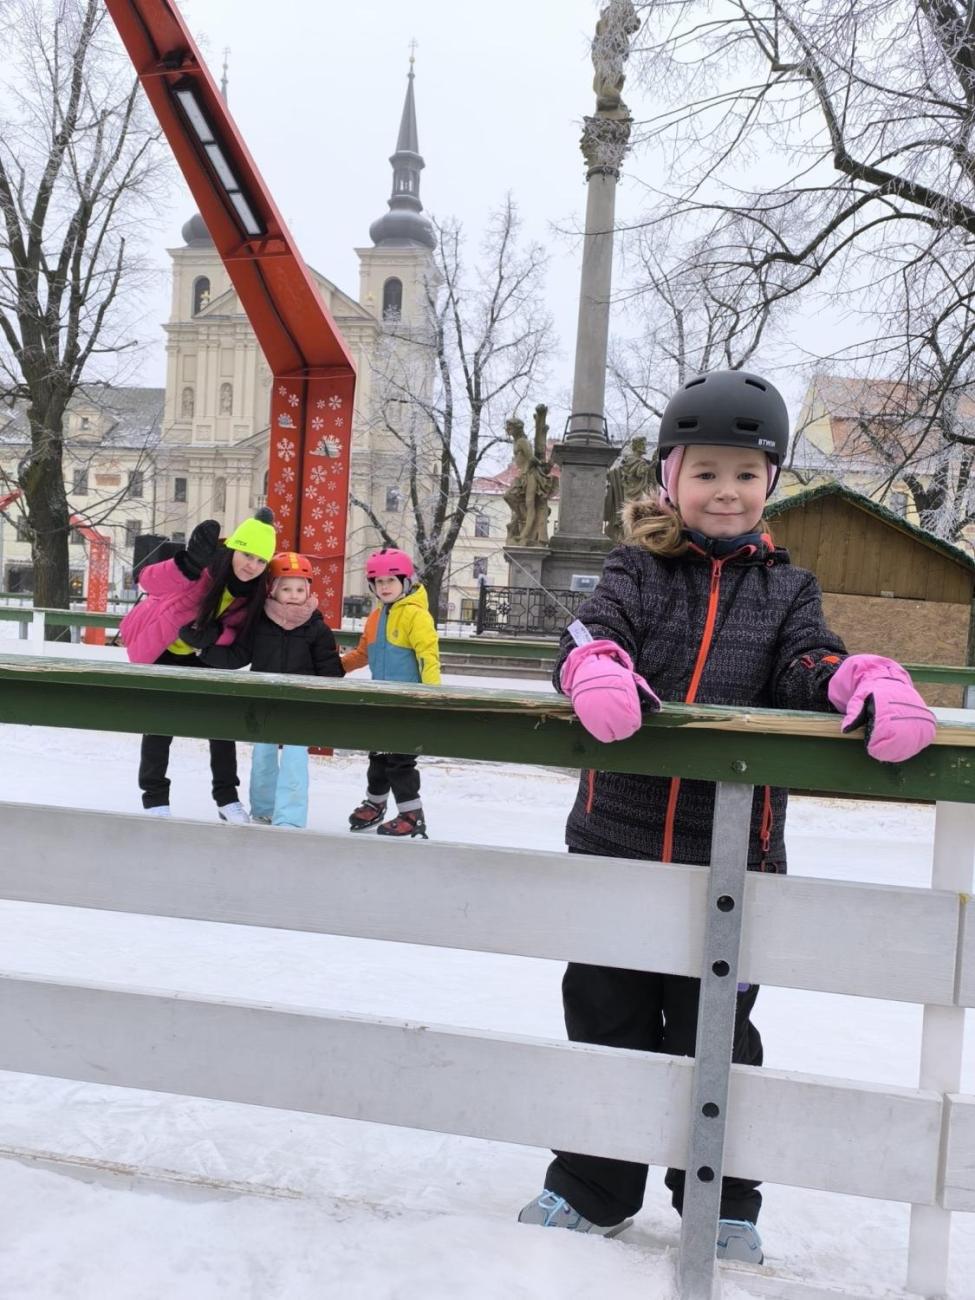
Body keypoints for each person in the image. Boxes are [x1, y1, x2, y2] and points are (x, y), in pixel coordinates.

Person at [518, 370, 937, 1263]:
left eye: (746, 474)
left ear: (770, 484)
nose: (726, 491)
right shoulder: (636, 570)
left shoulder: (787, 588)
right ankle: (592, 1186)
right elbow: (590, 635)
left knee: (719, 1032)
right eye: (706, 471)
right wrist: (593, 665)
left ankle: (723, 1199)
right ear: (671, 478)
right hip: (617, 846)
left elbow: (803, 664)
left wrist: (854, 677)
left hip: (732, 857)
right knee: (606, 1019)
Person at [120, 507, 276, 823]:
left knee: (220, 724)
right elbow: (148, 581)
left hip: (202, 655)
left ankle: (227, 799)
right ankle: (154, 798)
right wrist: (187, 564)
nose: (252, 566)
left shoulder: (255, 593)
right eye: (247, 555)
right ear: (234, 547)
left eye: (261, 560)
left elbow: (239, 635)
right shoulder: (203, 570)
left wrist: (214, 636)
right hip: (162, 646)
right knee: (160, 725)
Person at [181, 551, 344, 829]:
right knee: (263, 756)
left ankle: (290, 818)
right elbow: (239, 655)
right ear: (273, 590)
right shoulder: (259, 622)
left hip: (300, 705)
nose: (293, 595)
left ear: (308, 591)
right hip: (265, 701)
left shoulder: (317, 628)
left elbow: (329, 669)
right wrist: (203, 651)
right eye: (286, 588)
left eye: (300, 589)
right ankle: (264, 807)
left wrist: (328, 696)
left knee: (294, 761)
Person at [341, 547, 440, 838]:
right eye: (379, 582)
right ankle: (376, 804)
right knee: (378, 759)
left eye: (391, 581)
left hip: (408, 704)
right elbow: (363, 654)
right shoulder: (374, 618)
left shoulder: (415, 617)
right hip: (382, 703)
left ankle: (412, 814)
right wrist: (338, 666)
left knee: (400, 762)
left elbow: (428, 657)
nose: (384, 587)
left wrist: (433, 697)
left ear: (405, 582)